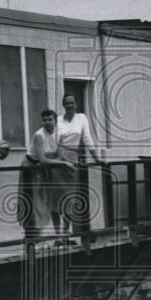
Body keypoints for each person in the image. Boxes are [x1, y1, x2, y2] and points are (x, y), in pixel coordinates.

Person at [20, 110, 76, 241]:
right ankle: (32, 239)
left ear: (55, 121)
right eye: (44, 120)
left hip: (45, 167)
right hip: (32, 167)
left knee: (49, 200)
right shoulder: (39, 135)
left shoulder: (60, 134)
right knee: (34, 201)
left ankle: (62, 237)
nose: (47, 122)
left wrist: (65, 161)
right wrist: (65, 164)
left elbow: (60, 155)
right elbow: (42, 159)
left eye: (50, 120)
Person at [57, 94, 102, 240]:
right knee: (58, 197)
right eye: (67, 103)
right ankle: (59, 235)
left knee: (70, 197)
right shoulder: (58, 120)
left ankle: (66, 231)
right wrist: (61, 157)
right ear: (63, 105)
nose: (70, 105)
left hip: (73, 159)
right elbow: (54, 141)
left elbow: (87, 138)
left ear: (75, 104)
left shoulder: (82, 118)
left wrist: (97, 158)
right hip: (59, 159)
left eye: (72, 102)